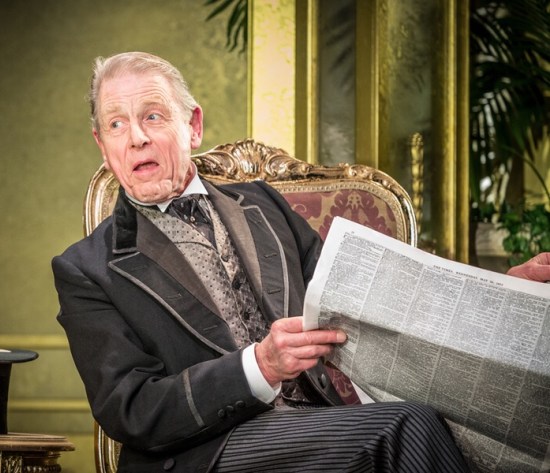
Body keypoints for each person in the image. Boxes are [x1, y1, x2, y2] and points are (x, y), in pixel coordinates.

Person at [52, 51, 550, 473]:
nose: (136, 137)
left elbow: (367, 299)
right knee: (404, 426)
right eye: (116, 124)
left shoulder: (263, 205)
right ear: (103, 146)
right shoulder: (86, 269)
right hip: (206, 451)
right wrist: (260, 365)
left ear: (193, 125)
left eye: (153, 116)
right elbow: (131, 409)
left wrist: (493, 294)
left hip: (320, 422)